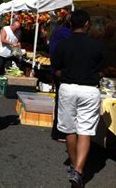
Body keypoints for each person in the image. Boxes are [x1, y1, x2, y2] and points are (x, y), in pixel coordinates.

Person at [52, 10, 105, 187]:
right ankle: (79, 170)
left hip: (68, 87)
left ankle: (75, 166)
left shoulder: (63, 45)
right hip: (89, 89)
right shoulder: (98, 46)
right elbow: (102, 71)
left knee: (69, 129)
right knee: (85, 130)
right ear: (87, 24)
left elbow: (56, 70)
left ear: (70, 24)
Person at [49, 14, 72, 142]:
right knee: (63, 103)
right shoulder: (65, 32)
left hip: (57, 69)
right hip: (62, 71)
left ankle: (58, 131)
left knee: (60, 101)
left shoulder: (58, 30)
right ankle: (60, 132)